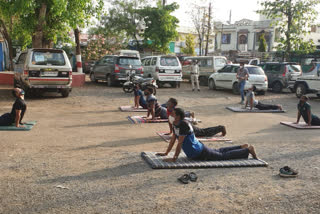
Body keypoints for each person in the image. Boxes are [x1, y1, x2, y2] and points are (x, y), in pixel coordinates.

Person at [156, 108, 258, 162]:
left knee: (222, 156)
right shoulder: (176, 124)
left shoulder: (183, 125)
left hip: (198, 152)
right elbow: (173, 139)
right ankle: (241, 147)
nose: (170, 116)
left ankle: (248, 150)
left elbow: (180, 143)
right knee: (219, 151)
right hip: (198, 149)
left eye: (173, 114)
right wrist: (166, 153)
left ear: (178, 116)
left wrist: (174, 158)